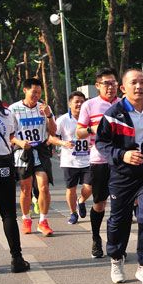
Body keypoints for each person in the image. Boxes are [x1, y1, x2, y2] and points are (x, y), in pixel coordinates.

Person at [95, 69, 143, 284]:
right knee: (120, 220)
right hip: (122, 175)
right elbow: (102, 143)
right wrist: (123, 154)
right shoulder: (113, 113)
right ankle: (116, 259)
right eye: (134, 83)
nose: (139, 87)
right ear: (123, 88)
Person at [76, 68, 120, 258]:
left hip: (122, 160)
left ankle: (116, 243)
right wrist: (92, 128)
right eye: (106, 83)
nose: (110, 87)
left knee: (121, 204)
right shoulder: (89, 105)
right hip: (99, 160)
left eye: (113, 83)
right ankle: (96, 238)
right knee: (100, 203)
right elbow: (79, 133)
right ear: (98, 86)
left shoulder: (125, 104)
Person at [0, 78, 30, 274]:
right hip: (2, 165)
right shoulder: (7, 113)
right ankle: (17, 259)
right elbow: (12, 137)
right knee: (8, 214)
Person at [9, 78, 57, 236]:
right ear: (25, 90)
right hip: (22, 153)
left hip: (41, 151)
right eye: (34, 92)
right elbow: (9, 135)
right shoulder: (13, 109)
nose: (37, 95)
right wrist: (19, 142)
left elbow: (53, 131)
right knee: (26, 189)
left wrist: (49, 116)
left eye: (39, 92)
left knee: (43, 186)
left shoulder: (44, 108)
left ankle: (43, 221)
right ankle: (26, 218)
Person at [53, 91, 92, 225]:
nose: (80, 104)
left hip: (88, 159)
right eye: (76, 102)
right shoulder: (63, 120)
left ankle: (81, 201)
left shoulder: (89, 118)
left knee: (89, 187)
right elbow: (51, 137)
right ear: (70, 104)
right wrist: (63, 143)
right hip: (69, 161)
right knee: (71, 189)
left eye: (82, 101)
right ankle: (73, 213)